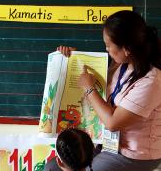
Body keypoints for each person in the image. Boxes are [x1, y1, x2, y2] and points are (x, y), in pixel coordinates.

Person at [57, 10, 161, 171]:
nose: (106, 49)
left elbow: (113, 123)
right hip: (106, 144)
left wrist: (89, 89)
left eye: (108, 45)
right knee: (52, 167)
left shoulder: (152, 81)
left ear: (126, 49)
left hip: (131, 154)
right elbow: (95, 77)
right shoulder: (121, 64)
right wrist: (73, 58)